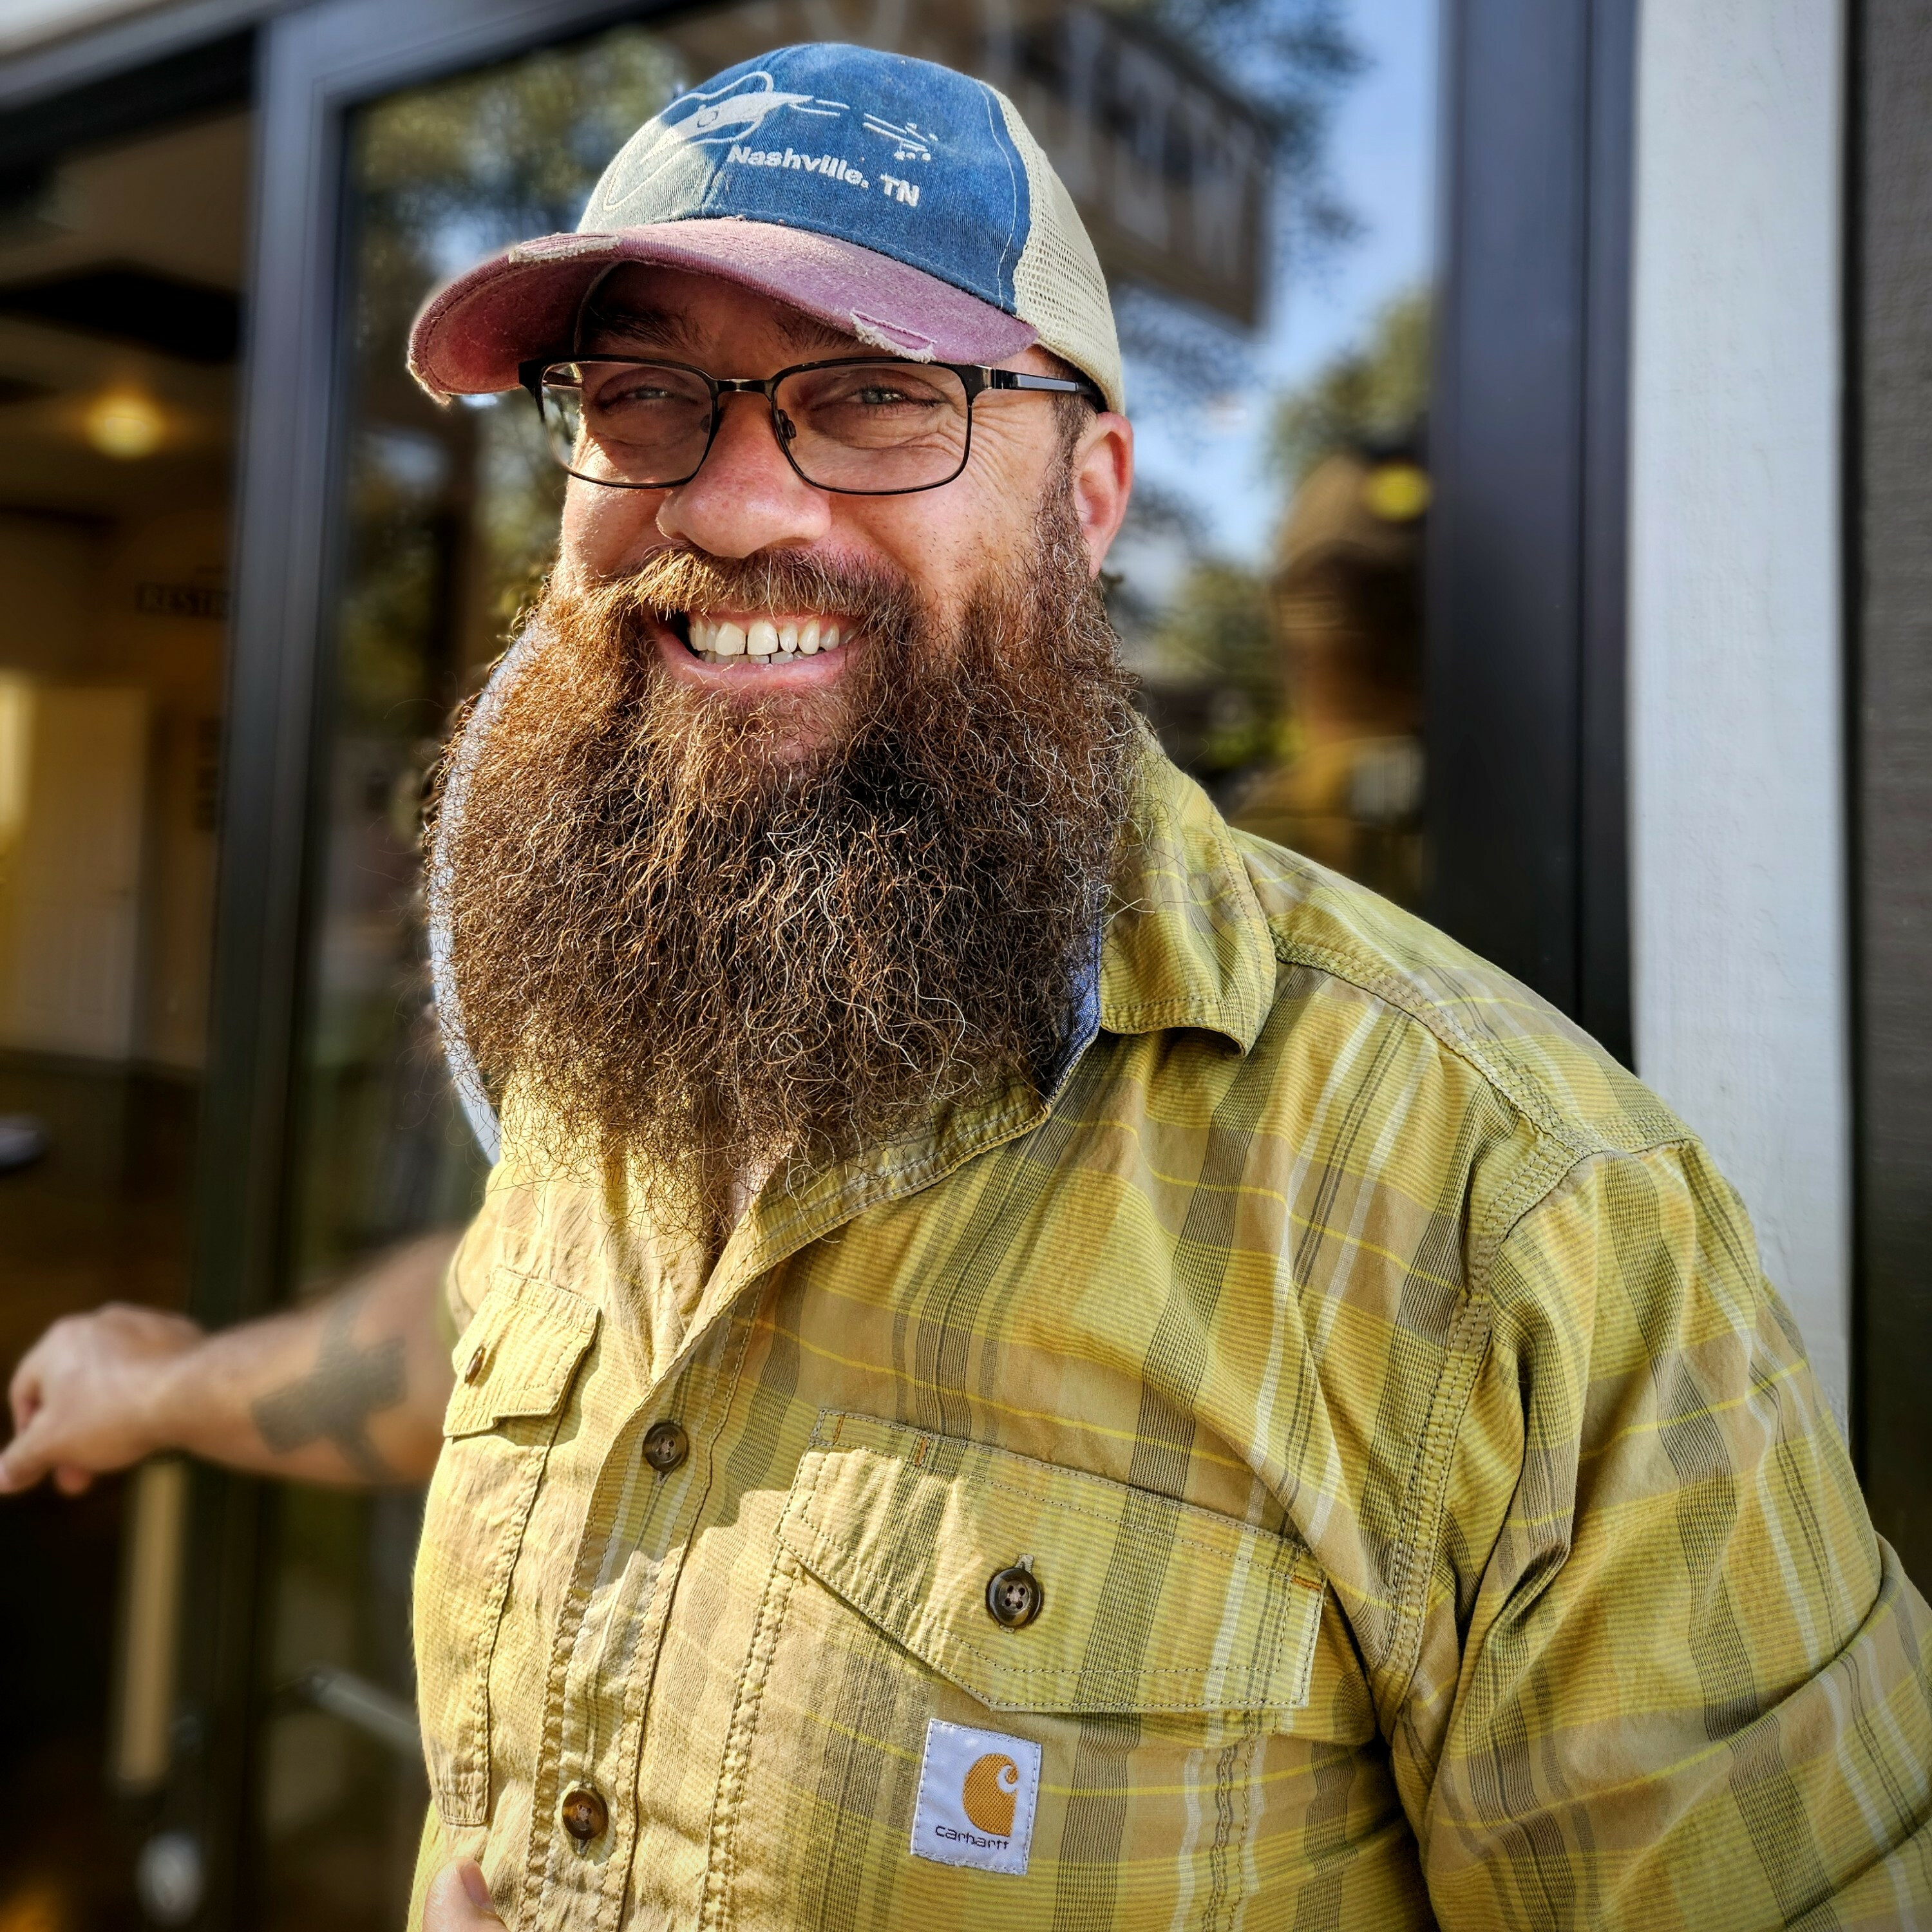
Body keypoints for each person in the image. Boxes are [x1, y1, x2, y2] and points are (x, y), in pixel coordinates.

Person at [5, 42, 1929, 1932]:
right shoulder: (636, 1003)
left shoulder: (1523, 1229)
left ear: (1086, 496)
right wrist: (165, 1385)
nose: (732, 505)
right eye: (646, 396)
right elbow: (499, 1330)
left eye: (871, 397)